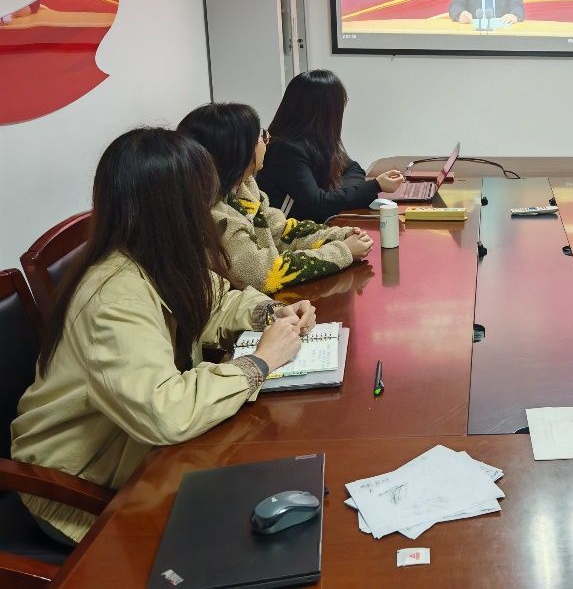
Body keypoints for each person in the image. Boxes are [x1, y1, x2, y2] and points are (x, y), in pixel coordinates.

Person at [10, 128, 315, 544]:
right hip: (81, 487)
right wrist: (259, 362)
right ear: (173, 210)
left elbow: (217, 301)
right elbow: (164, 412)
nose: (210, 211)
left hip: (139, 450)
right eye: (202, 201)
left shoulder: (157, 255)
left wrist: (270, 312)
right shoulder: (113, 296)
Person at [179, 102, 375, 294]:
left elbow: (280, 232)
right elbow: (260, 274)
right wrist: (342, 252)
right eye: (260, 136)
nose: (266, 140)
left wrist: (337, 235)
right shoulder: (215, 214)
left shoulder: (243, 186)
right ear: (238, 150)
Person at [256, 70, 403, 222]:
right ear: (325, 110)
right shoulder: (286, 151)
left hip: (320, 225)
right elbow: (319, 204)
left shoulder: (316, 139)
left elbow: (353, 168)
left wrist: (340, 195)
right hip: (293, 232)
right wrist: (375, 186)